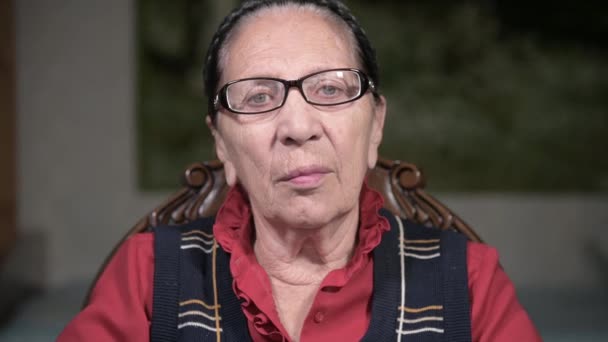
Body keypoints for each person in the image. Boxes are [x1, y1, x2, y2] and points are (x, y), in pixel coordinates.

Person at [58, 0, 541, 341]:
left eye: (330, 90)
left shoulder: (470, 281)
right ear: (222, 144)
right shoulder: (147, 275)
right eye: (259, 97)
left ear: (375, 127)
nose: (297, 125)